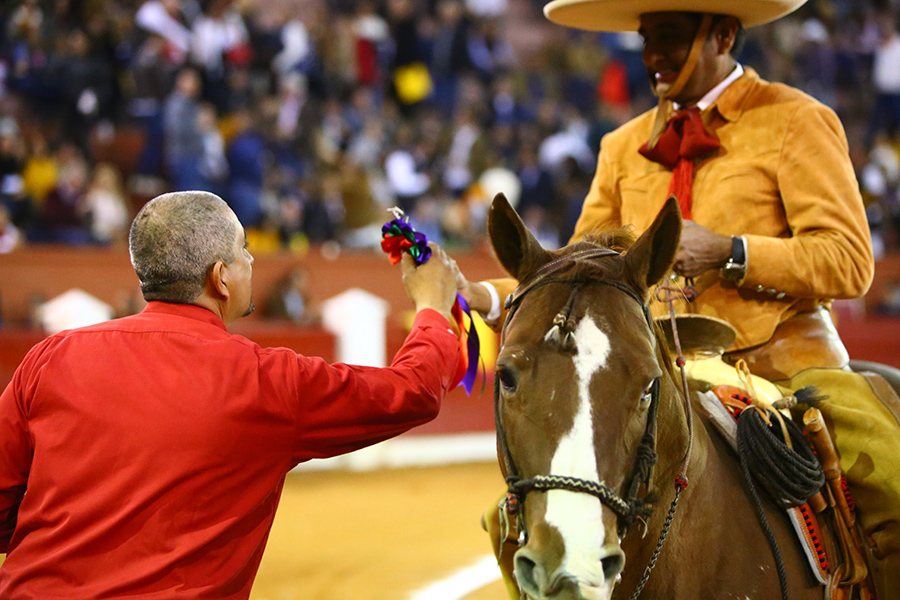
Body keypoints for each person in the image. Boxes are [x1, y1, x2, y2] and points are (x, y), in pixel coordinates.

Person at [457, 0, 900, 596]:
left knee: (891, 474)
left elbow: (849, 262)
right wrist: (479, 294)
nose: (652, 56)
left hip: (786, 368)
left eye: (669, 38)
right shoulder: (622, 144)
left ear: (722, 33)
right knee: (509, 523)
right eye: (646, 39)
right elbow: (576, 278)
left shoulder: (797, 119)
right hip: (657, 375)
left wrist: (731, 251)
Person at [0, 191, 461, 598]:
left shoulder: (51, 358)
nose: (253, 261)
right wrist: (432, 307)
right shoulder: (265, 381)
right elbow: (413, 390)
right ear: (220, 278)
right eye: (244, 251)